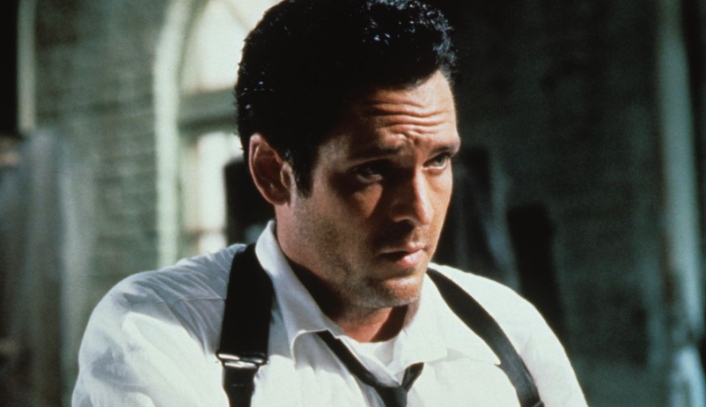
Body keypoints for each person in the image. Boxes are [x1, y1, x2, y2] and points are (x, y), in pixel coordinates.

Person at [72, 0, 588, 406]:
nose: (420, 211)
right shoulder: (159, 330)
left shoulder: (507, 331)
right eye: (373, 169)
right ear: (273, 172)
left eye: (438, 161)